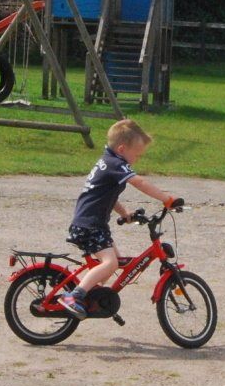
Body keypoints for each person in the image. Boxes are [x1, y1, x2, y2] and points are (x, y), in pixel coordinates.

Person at [54, 119, 180, 318]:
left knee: (115, 263)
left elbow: (106, 195)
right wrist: (167, 199)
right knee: (110, 263)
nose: (136, 159)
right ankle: (74, 296)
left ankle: (92, 298)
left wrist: (125, 213)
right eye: (136, 155)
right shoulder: (116, 164)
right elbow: (139, 182)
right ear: (122, 149)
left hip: (93, 224)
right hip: (90, 226)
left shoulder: (108, 161)